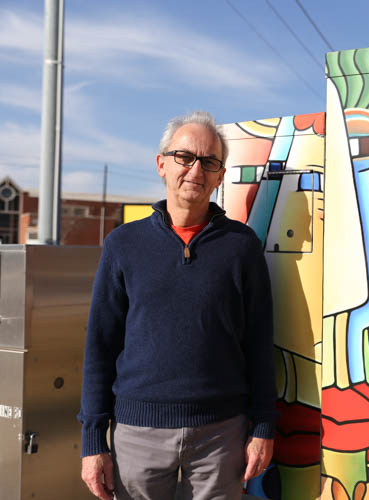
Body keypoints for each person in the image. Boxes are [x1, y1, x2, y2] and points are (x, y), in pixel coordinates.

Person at [78, 110, 277, 500]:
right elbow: (99, 346)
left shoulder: (242, 247)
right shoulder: (123, 245)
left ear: (221, 175)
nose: (196, 170)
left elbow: (259, 342)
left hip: (222, 436)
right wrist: (92, 441)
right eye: (185, 157)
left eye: (209, 162)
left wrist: (263, 426)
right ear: (162, 165)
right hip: (137, 435)